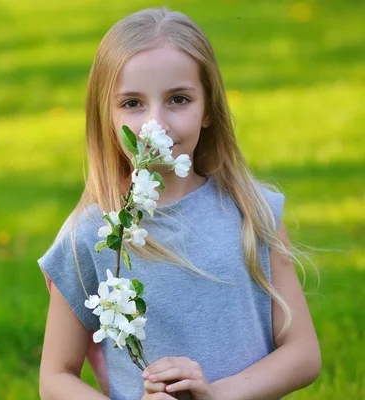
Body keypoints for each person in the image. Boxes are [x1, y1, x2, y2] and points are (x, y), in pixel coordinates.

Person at [37, 6, 320, 400]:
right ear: (106, 115)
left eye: (179, 99)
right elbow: (54, 378)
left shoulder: (252, 212)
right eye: (132, 104)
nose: (157, 124)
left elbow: (304, 354)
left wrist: (216, 395)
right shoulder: (92, 234)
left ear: (208, 110)